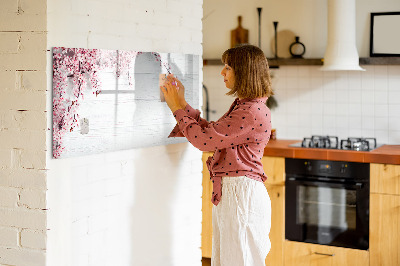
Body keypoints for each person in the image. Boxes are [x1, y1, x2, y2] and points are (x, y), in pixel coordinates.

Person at [161, 44, 273, 266]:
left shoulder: (250, 111)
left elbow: (204, 141)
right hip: (236, 193)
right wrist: (182, 103)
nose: (222, 72)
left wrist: (176, 108)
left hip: (241, 195)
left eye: (228, 67)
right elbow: (212, 133)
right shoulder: (246, 106)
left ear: (244, 72)